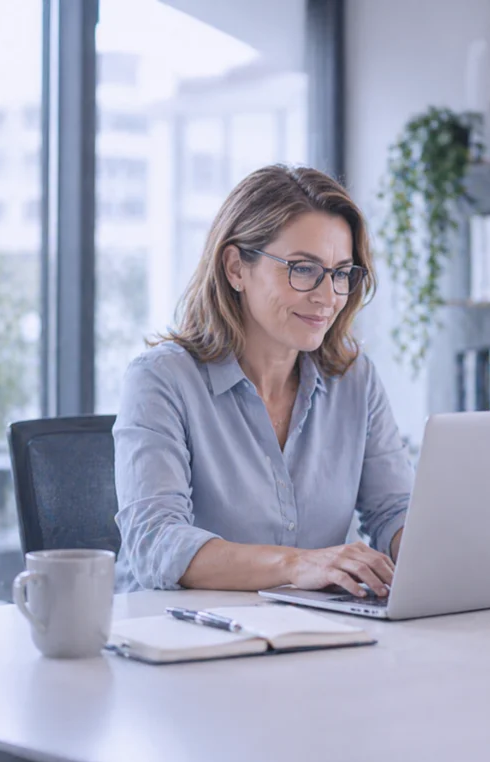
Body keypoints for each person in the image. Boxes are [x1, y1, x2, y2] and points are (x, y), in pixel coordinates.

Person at [113, 164, 413, 598]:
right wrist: (297, 564)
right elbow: (155, 542)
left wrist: (446, 554)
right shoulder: (161, 379)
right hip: (181, 641)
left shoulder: (355, 379)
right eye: (303, 269)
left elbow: (393, 511)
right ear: (236, 268)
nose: (328, 296)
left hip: (314, 634)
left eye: (341, 273)